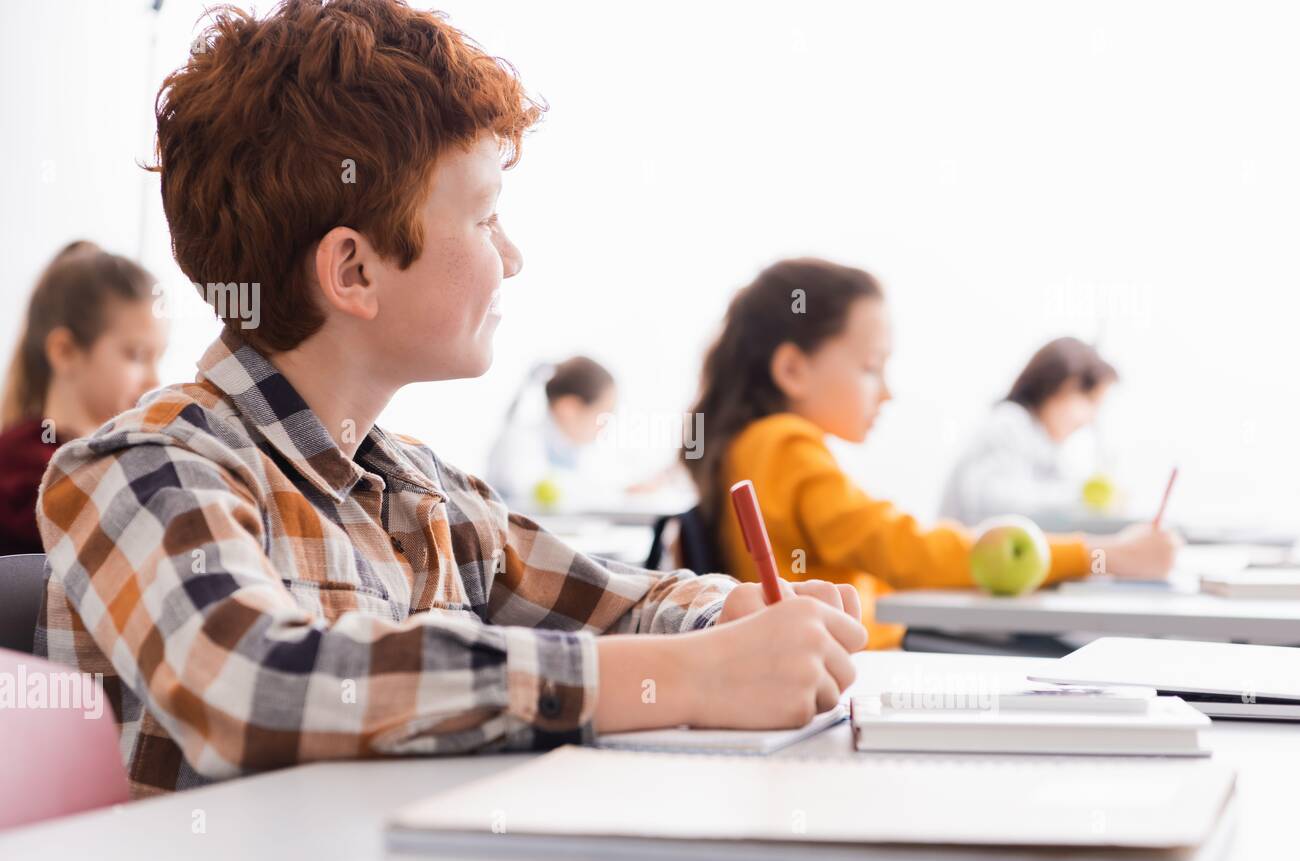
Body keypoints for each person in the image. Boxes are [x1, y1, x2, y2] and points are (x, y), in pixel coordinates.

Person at [36, 0, 865, 797]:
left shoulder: (423, 490)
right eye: (484, 218)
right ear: (354, 272)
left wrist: (737, 613)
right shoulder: (142, 465)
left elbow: (614, 603)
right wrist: (688, 675)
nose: (513, 256)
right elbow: (248, 681)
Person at [682, 258, 1179, 648]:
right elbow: (906, 551)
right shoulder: (786, 446)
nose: (888, 392)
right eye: (872, 367)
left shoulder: (750, 447)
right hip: (863, 664)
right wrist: (1106, 554)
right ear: (792, 369)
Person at [0, 241, 164, 555]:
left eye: (159, 357)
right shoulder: (17, 466)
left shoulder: (129, 456)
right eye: (137, 355)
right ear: (64, 351)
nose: (154, 380)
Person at [939, 337, 1118, 526]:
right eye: (1091, 401)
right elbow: (995, 509)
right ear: (1066, 385)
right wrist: (1079, 496)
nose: (1091, 419)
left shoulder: (1044, 444)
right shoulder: (1008, 423)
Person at [485, 356, 617, 509]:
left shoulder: (569, 450)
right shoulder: (519, 441)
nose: (605, 426)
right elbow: (533, 489)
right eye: (603, 414)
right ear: (568, 409)